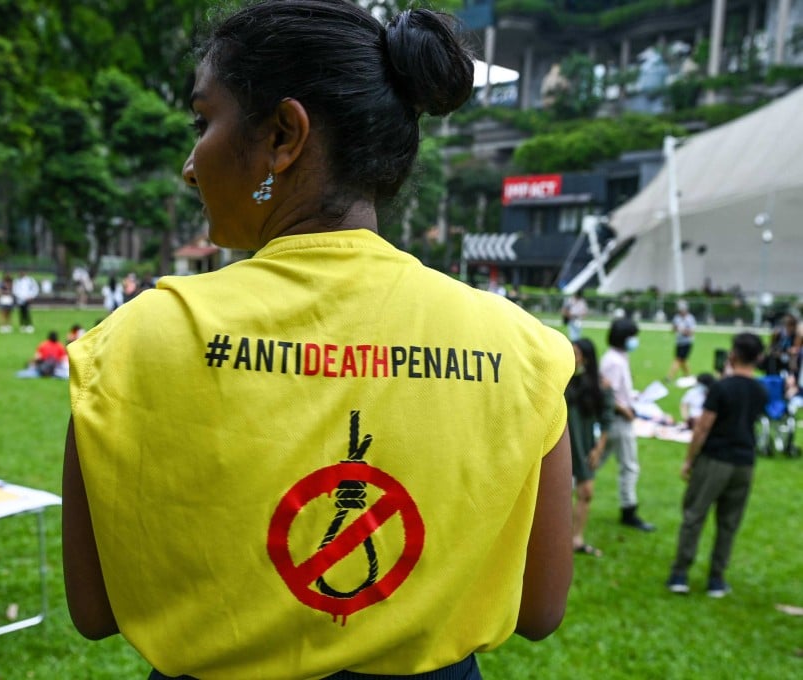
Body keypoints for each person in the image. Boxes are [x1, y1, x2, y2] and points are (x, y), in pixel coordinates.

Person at [63, 3, 574, 679]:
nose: (191, 166)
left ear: (283, 134)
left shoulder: (131, 343)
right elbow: (540, 610)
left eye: (203, 121)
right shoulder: (522, 351)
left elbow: (96, 613)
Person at [666, 333, 768, 597]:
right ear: (758, 358)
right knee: (729, 523)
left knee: (694, 516)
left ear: (733, 354)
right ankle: (716, 579)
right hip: (744, 463)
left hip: (715, 460)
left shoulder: (722, 388)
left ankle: (680, 574)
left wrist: (689, 460)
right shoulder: (760, 390)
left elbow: (703, 428)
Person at [599, 317, 655, 531]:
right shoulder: (614, 360)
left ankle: (567, 487)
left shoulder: (619, 357)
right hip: (619, 421)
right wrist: (626, 410)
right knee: (629, 466)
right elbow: (607, 393)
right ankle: (628, 510)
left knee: (595, 460)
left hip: (620, 418)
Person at [567, 338, 613, 558]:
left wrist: (598, 448)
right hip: (563, 446)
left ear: (586, 357)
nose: (573, 357)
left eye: (576, 353)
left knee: (586, 492)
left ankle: (577, 538)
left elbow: (607, 418)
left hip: (584, 445)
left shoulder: (599, 386)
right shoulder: (562, 380)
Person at [666, 300, 696, 381]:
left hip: (687, 342)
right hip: (679, 342)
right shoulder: (677, 318)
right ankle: (688, 376)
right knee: (683, 360)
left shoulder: (690, 318)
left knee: (678, 359)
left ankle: (670, 376)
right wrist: (675, 328)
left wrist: (683, 331)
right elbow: (672, 329)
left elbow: (692, 332)